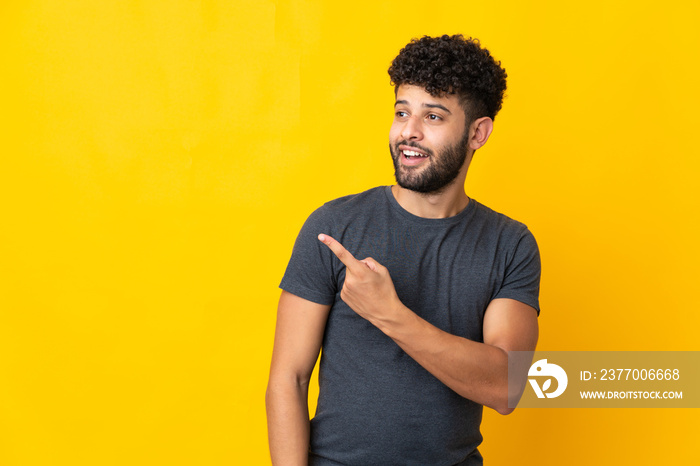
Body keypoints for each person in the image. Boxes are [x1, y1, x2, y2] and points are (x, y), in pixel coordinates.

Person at [266, 34, 540, 465]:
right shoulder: (334, 227)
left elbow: (506, 387)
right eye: (401, 112)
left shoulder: (510, 244)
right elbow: (290, 379)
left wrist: (389, 314)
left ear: (478, 133)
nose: (408, 132)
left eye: (433, 116)